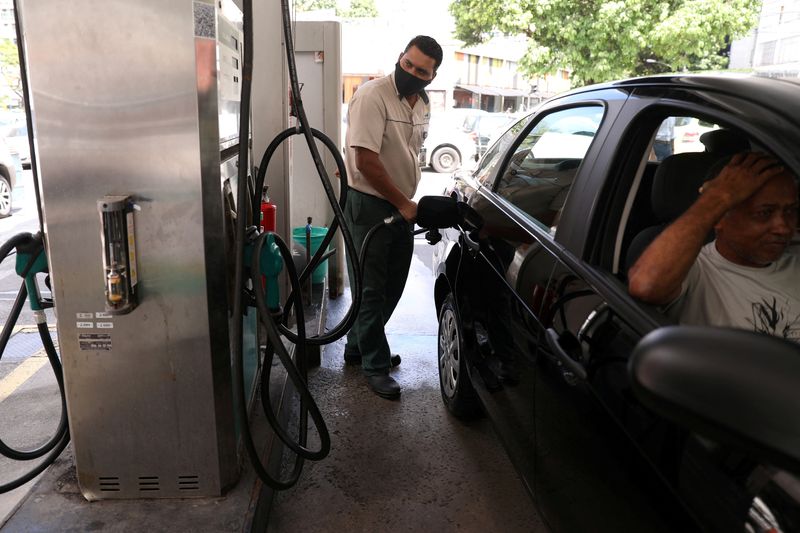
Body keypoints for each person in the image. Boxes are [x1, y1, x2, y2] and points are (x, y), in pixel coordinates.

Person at [342, 35, 443, 399]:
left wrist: (405, 202)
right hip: (370, 204)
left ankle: (358, 345)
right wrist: (403, 203)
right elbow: (365, 161)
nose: (412, 73)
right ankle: (374, 364)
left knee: (393, 284)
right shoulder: (373, 96)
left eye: (421, 71)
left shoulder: (422, 104)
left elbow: (409, 153)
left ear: (431, 76)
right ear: (399, 58)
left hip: (400, 204)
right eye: (408, 65)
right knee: (370, 290)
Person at [628, 152, 800, 340]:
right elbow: (645, 285)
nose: (783, 228)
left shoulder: (795, 262)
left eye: (790, 211)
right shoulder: (696, 271)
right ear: (719, 217)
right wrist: (717, 197)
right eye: (764, 213)